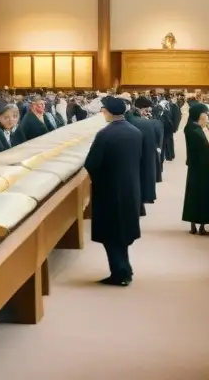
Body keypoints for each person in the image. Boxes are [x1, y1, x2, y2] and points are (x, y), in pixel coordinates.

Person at [84, 96, 143, 286]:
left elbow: (91, 164)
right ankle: (125, 268)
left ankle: (120, 274)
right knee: (123, 231)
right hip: (131, 188)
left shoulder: (105, 134)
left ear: (107, 112)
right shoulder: (135, 132)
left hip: (109, 190)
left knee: (111, 234)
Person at [182, 102, 209, 235]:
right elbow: (204, 150)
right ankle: (202, 227)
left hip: (195, 167)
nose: (206, 117)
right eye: (205, 115)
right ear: (199, 115)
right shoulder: (196, 131)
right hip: (202, 168)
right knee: (203, 196)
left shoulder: (191, 127)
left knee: (193, 195)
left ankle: (193, 225)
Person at [125, 97, 160, 206]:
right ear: (140, 108)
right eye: (146, 111)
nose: (147, 113)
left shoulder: (132, 118)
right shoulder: (142, 123)